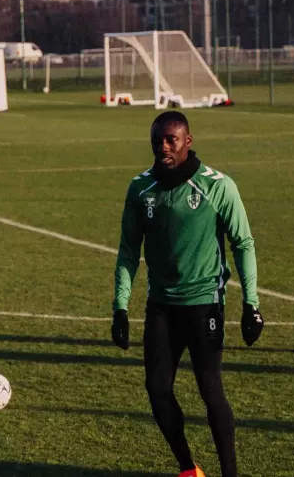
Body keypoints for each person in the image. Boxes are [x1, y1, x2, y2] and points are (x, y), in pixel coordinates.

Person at [114, 111, 262, 477]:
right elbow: (128, 251)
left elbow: (242, 242)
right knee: (156, 389)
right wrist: (119, 306)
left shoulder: (217, 186)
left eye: (171, 140)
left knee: (210, 390)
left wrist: (251, 303)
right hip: (161, 306)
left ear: (188, 141)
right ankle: (188, 468)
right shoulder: (140, 188)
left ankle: (230, 472)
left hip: (205, 304)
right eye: (157, 140)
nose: (163, 147)